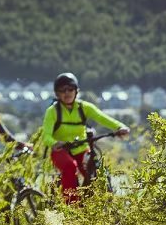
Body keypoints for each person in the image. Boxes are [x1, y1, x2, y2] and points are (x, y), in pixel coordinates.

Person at [42, 72, 128, 203]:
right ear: (57, 94)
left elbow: (101, 117)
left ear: (76, 91)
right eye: (62, 90)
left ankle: (94, 204)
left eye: (70, 89)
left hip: (81, 148)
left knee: (94, 169)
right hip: (61, 151)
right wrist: (54, 143)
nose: (67, 93)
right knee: (70, 166)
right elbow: (46, 135)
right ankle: (72, 207)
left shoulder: (84, 107)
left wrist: (119, 127)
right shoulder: (52, 111)